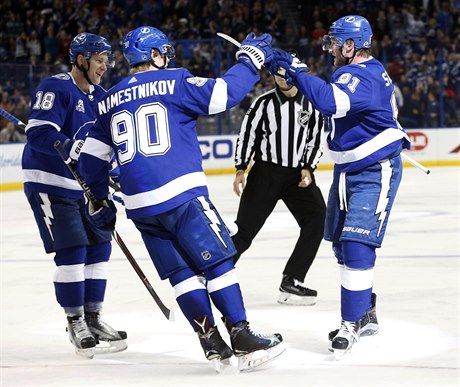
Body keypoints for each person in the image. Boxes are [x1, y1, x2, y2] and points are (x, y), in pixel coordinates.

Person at [78, 26, 284, 371]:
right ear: (155, 55)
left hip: (142, 208)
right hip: (182, 195)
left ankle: (213, 344)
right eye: (164, 52)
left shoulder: (107, 100)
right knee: (217, 262)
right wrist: (250, 60)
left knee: (182, 275)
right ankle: (242, 335)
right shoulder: (175, 81)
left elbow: (91, 161)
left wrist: (99, 200)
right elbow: (224, 94)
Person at [269, 15, 411, 357]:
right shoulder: (356, 73)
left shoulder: (360, 74)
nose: (330, 48)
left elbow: (330, 102)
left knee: (356, 242)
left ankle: (351, 321)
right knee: (343, 247)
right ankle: (365, 312)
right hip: (348, 171)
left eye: (335, 42)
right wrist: (289, 69)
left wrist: (297, 72)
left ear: (350, 45)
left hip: (373, 169)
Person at [22, 33, 127, 359]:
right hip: (51, 182)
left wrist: (114, 173)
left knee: (100, 248)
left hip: (86, 188)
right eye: (99, 60)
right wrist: (67, 146)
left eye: (106, 61)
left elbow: (107, 147)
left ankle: (94, 318)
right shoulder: (55, 87)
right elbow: (38, 133)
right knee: (73, 250)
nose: (104, 67)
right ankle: (75, 320)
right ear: (81, 59)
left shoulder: (102, 98)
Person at [231, 54, 326, 306]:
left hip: (297, 175)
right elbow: (247, 135)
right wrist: (241, 168)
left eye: (285, 72)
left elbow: (315, 139)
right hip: (266, 173)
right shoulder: (263, 103)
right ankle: (215, 276)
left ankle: (292, 280)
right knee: (244, 232)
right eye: (277, 72)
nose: (281, 76)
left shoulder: (312, 104)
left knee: (318, 217)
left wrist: (309, 167)